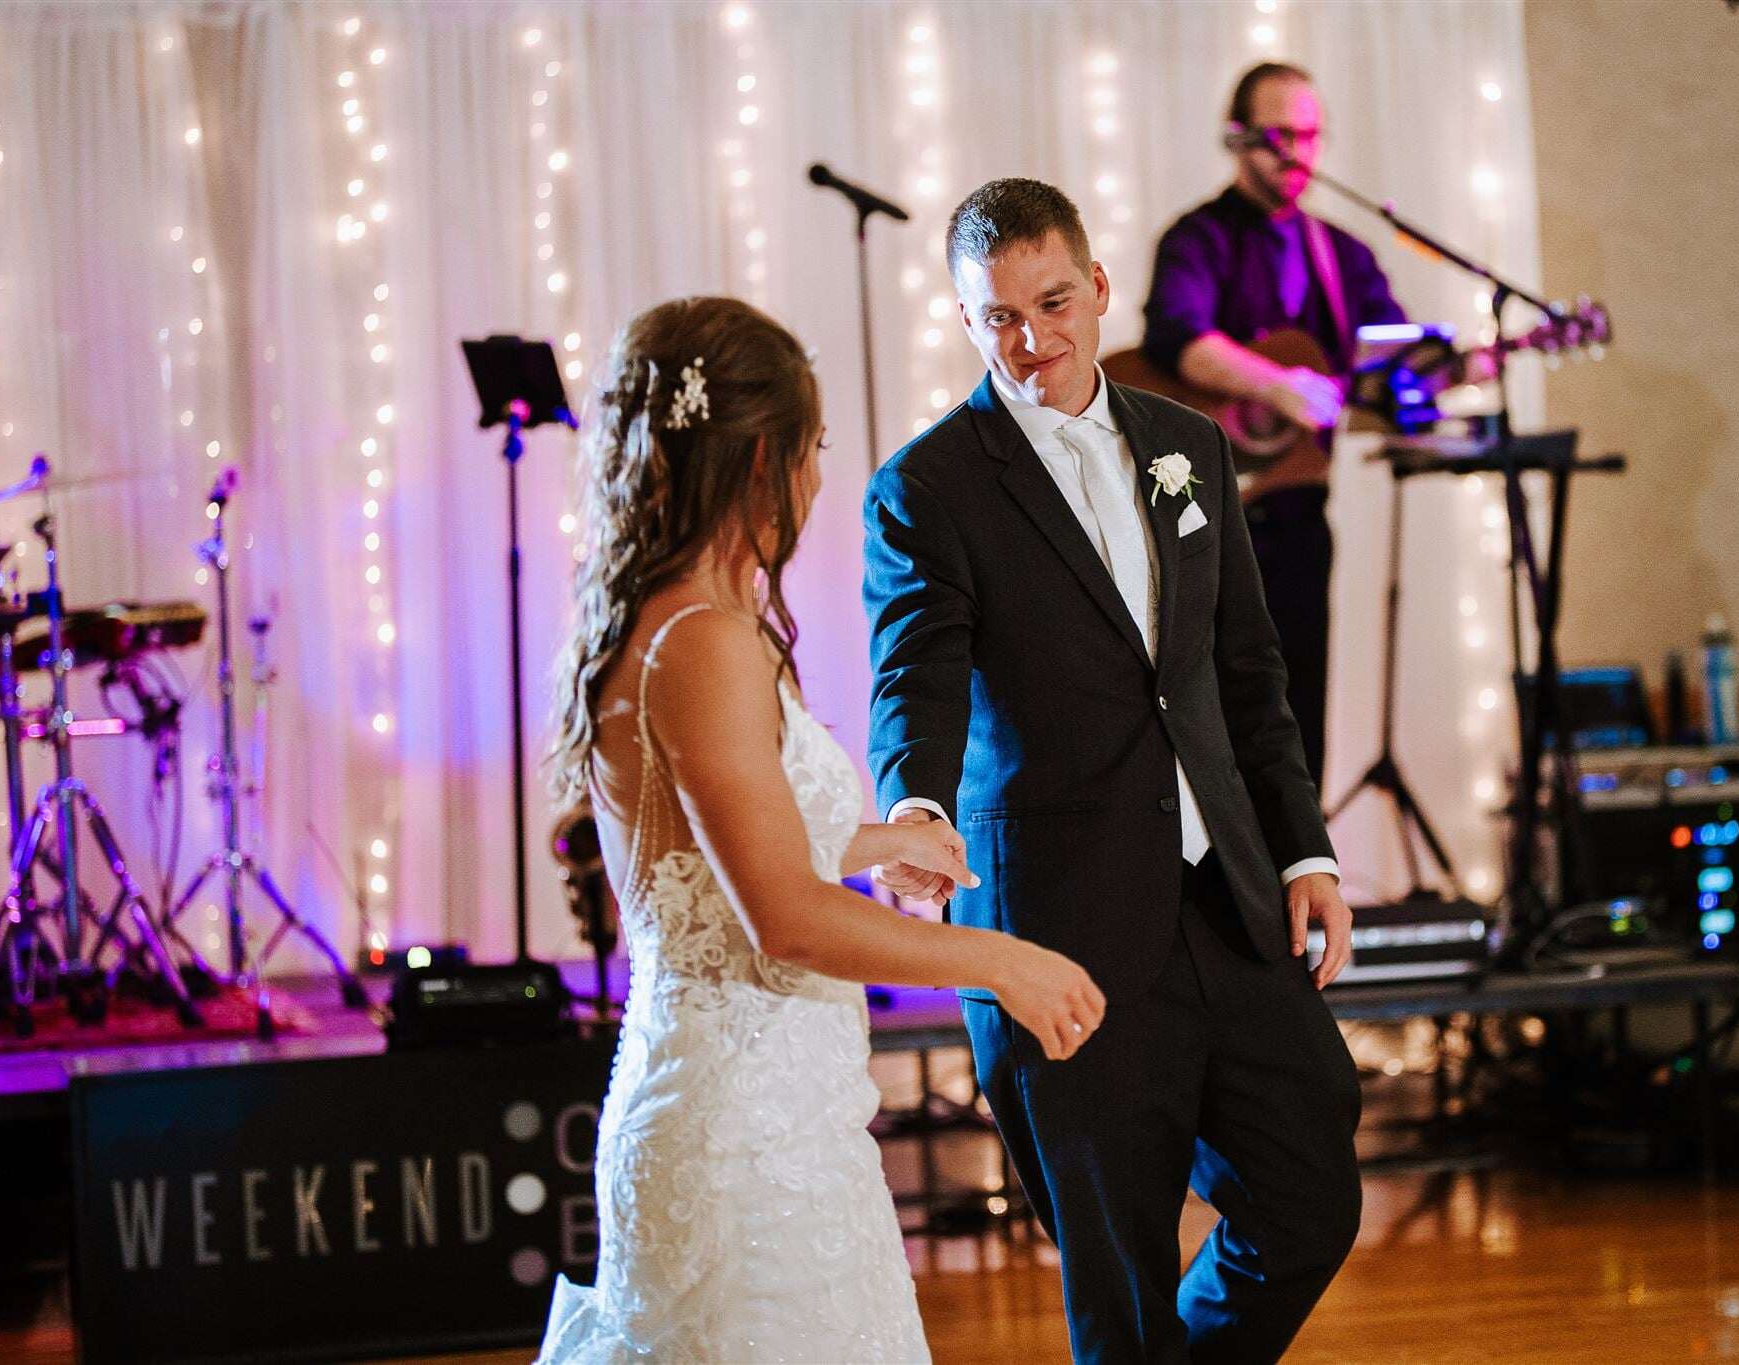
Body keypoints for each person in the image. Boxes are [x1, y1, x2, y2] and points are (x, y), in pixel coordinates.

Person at [537, 296, 1105, 1364]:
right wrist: (1001, 963)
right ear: (761, 457)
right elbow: (783, 922)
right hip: (747, 1148)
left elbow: (702, 861)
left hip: (740, 1116)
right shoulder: (702, 641)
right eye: (811, 451)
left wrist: (877, 845)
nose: (814, 480)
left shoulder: (663, 618)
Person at [866, 179, 1363, 1365]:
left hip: (1224, 902)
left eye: (1050, 304)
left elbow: (1246, 676)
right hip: (1061, 931)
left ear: (1096, 290)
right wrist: (914, 807)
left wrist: (1302, 851)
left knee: (1306, 1199)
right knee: (1117, 1279)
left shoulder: (1189, 446)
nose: (1030, 342)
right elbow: (913, 676)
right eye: (997, 319)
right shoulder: (927, 487)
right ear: (964, 319)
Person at [1141, 60, 1407, 785]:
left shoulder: (1342, 255)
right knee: (1205, 719)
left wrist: (1469, 365)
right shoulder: (1197, 239)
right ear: (1237, 138)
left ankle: (1302, 875)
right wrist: (1276, 384)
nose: (1297, 153)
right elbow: (1177, 337)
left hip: (1295, 516)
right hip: (1201, 520)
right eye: (1278, 135)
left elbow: (1393, 363)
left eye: (1310, 136)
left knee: (1292, 712)